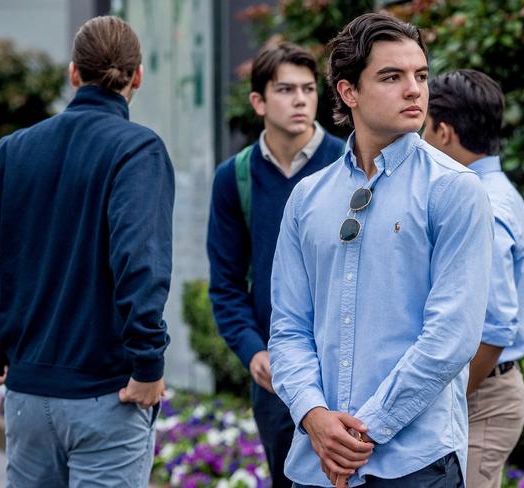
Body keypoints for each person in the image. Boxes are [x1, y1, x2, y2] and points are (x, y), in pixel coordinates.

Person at [0, 16, 174, 488]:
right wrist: (149, 362)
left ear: (73, 73)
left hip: (28, 399)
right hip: (107, 396)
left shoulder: (16, 150)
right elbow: (139, 267)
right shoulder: (137, 151)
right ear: (137, 77)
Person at [268, 13, 494, 488]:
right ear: (349, 92)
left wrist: (362, 432)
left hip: (415, 463)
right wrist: (314, 416)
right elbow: (288, 327)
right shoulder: (308, 198)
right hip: (318, 462)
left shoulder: (455, 189)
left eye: (421, 76)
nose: (414, 90)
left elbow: (451, 336)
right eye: (392, 77)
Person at [206, 42, 344, 486]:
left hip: (346, 370)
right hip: (275, 378)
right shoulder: (235, 177)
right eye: (286, 89)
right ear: (259, 101)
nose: (301, 99)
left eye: (308, 89)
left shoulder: (348, 162)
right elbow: (225, 284)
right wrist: (253, 352)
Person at [423, 69, 524, 488]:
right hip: (482, 387)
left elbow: (495, 327)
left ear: (444, 131)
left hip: (481, 394)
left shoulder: (485, 203)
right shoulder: (494, 190)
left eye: (424, 127)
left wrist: (445, 397)